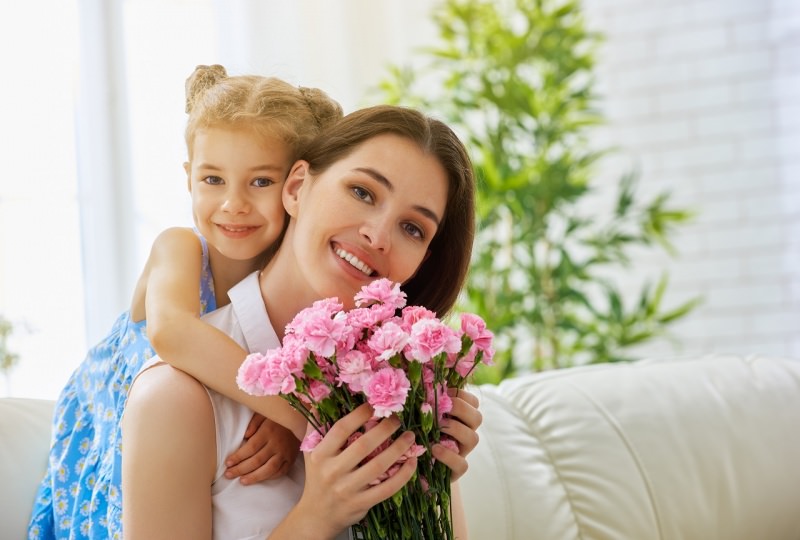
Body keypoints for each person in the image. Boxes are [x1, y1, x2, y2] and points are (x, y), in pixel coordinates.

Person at [121, 104, 482, 540]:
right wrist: (316, 516)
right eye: (363, 192)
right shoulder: (179, 396)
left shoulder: (401, 395)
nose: (378, 235)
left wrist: (427, 491)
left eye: (412, 228)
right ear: (296, 187)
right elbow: (169, 330)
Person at [27, 65, 343, 540]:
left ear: (297, 186)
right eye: (212, 179)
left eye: (260, 182)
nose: (233, 204)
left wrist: (281, 426)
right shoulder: (180, 247)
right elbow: (173, 333)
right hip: (113, 422)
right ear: (188, 176)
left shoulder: (294, 280)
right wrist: (300, 418)